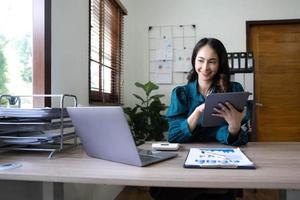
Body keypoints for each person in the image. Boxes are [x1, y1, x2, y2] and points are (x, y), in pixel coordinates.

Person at [150, 38, 250, 200]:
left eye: (212, 62)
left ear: (220, 64)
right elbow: (174, 136)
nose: (205, 68)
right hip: (185, 162)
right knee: (162, 191)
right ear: (194, 61)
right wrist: (196, 112)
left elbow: (242, 139)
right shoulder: (181, 93)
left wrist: (234, 126)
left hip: (222, 163)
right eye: (200, 61)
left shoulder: (234, 90)